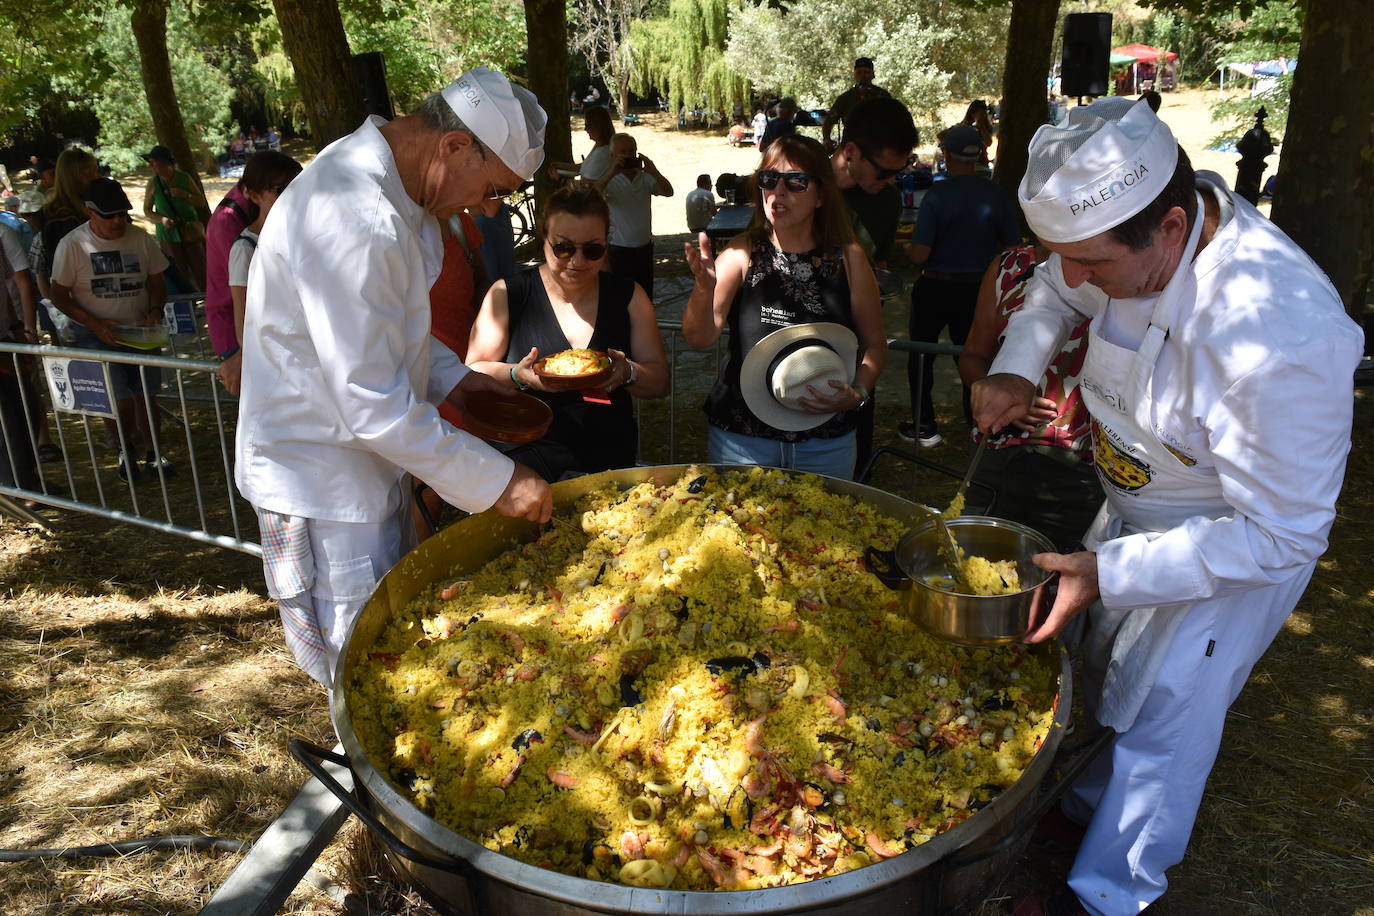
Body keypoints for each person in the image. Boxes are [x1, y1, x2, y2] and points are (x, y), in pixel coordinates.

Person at [969, 98, 1363, 916]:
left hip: (1221, 552)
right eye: (1064, 257)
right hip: (1128, 509)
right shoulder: (1116, 243)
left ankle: (1111, 891)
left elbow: (1284, 534)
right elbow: (1051, 291)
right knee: (1106, 673)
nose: (1075, 279)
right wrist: (1016, 364)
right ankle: (1079, 812)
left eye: (1094, 266)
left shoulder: (1277, 339)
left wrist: (1109, 570)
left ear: (1173, 228)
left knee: (1163, 723)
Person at [234, 66, 554, 689]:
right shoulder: (356, 216)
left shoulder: (389, 184)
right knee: (362, 673)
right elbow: (372, 403)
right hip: (323, 487)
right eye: (494, 188)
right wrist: (500, 481)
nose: (490, 209)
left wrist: (454, 380)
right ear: (456, 145)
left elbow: (389, 340)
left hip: (359, 469)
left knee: (386, 654)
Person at [682, 135, 885, 479]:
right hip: (742, 441)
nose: (778, 192)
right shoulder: (740, 253)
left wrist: (858, 392)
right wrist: (704, 289)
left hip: (826, 443)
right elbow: (699, 338)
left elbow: (875, 345)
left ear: (821, 194)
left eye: (796, 182)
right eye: (768, 179)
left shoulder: (848, 258)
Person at [467, 183, 669, 480]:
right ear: (544, 238)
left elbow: (659, 382)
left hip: (608, 457)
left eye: (592, 250)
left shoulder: (628, 296)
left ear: (606, 243)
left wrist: (629, 373)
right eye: (563, 248)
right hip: (527, 460)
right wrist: (517, 375)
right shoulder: (508, 294)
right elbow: (472, 372)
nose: (577, 261)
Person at [958, 244, 1103, 547]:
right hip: (996, 446)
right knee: (975, 556)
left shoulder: (1111, 269)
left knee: (1055, 565)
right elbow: (973, 355)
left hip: (1078, 462)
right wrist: (1004, 389)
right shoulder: (1009, 266)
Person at [900, 123, 1020, 448]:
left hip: (936, 287)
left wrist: (907, 249)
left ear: (947, 156)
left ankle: (923, 425)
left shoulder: (938, 195)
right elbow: (1013, 247)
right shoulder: (995, 194)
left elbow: (920, 253)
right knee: (974, 356)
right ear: (979, 155)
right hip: (979, 290)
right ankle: (979, 420)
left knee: (921, 356)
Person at [49, 178, 173, 481]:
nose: (118, 221)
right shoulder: (72, 245)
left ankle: (154, 453)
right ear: (90, 212)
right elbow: (58, 294)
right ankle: (124, 449)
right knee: (116, 397)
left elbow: (157, 281)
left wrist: (155, 309)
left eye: (123, 214)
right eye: (110, 215)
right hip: (94, 334)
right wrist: (96, 324)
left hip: (139, 332)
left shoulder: (140, 239)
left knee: (146, 394)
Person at [219, 151, 303, 395]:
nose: (292, 194)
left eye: (297, 184)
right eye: (281, 189)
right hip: (277, 367)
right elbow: (243, 319)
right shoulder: (245, 248)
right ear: (254, 195)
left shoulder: (302, 236)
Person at [593, 133, 673, 298]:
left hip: (644, 248)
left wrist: (655, 171)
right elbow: (592, 195)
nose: (628, 155)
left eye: (631, 151)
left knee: (645, 295)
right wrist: (612, 171)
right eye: (623, 152)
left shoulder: (645, 178)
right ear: (612, 155)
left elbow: (668, 192)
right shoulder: (608, 180)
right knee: (621, 297)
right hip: (618, 250)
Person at [204, 176, 253, 382]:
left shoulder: (243, 208)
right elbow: (243, 287)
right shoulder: (228, 221)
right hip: (232, 332)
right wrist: (240, 353)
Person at [141, 144, 208, 292]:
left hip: (190, 231)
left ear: (166, 163)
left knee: (200, 269)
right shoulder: (153, 183)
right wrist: (162, 220)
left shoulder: (184, 178)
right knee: (178, 272)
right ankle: (186, 306)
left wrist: (185, 195)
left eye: (154, 162)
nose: (151, 165)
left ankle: (208, 299)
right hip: (168, 234)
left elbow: (201, 201)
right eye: (150, 162)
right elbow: (147, 210)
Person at [822, 57, 892, 151]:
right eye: (859, 72)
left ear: (873, 75)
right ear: (854, 76)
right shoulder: (845, 98)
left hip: (877, 146)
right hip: (851, 147)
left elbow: (894, 121)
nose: (862, 76)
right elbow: (829, 121)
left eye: (866, 72)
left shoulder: (883, 96)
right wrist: (827, 139)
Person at [546, 106, 615, 181]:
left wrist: (560, 179)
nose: (586, 129)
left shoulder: (603, 153)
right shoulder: (599, 146)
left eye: (588, 125)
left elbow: (586, 186)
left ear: (598, 127)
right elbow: (584, 168)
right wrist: (563, 166)